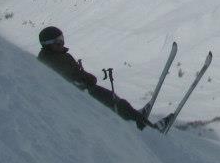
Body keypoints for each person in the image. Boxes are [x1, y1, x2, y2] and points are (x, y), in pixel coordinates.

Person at [37, 26, 172, 131]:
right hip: (83, 94)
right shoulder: (53, 60)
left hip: (85, 91)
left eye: (62, 39)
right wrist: (88, 79)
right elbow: (69, 79)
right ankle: (149, 129)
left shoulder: (56, 55)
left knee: (116, 101)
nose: (61, 43)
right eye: (57, 42)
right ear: (48, 44)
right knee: (116, 104)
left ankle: (135, 116)